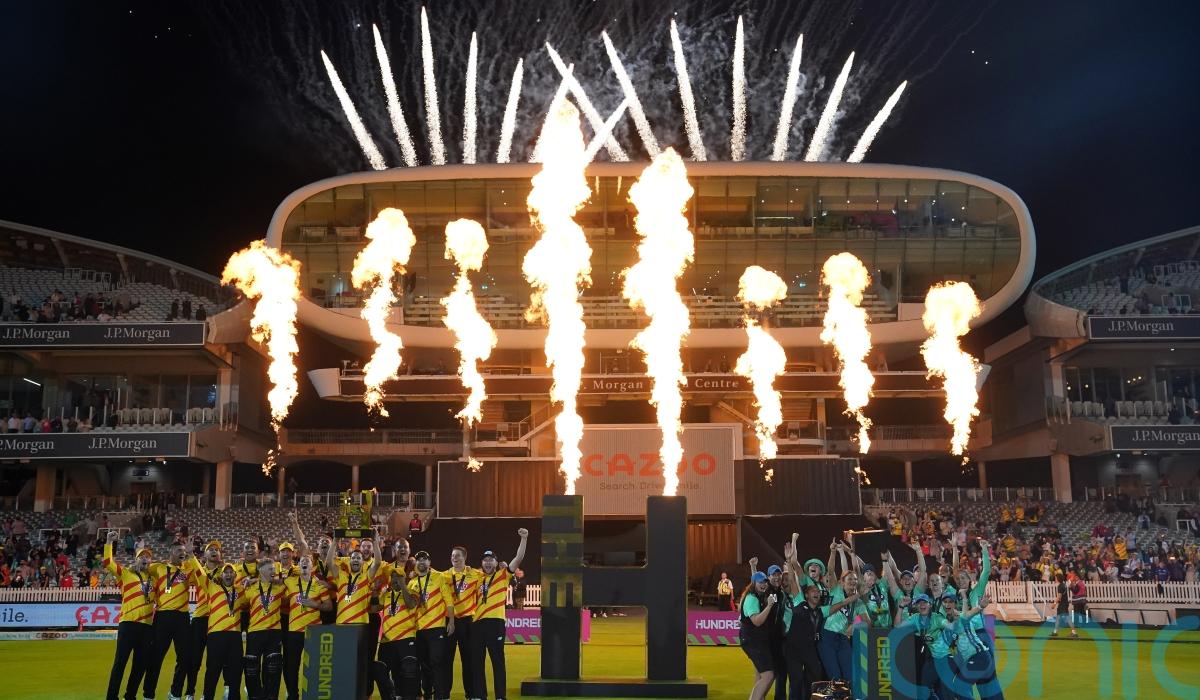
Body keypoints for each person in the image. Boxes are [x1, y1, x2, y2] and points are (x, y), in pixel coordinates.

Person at [470, 528, 528, 700]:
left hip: (495, 623)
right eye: (485, 560)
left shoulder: (503, 575)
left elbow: (518, 558)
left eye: (491, 560)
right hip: (477, 624)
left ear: (496, 563)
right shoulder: (476, 577)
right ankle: (480, 695)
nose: (488, 563)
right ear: (482, 563)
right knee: (477, 663)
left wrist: (524, 539)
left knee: (498, 662)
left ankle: (500, 697)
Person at [103, 530, 155, 700]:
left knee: (140, 665)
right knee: (120, 663)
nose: (145, 559)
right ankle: (112, 697)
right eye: (142, 556)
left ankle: (130, 696)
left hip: (146, 627)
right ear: (136, 559)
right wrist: (109, 543)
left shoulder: (154, 580)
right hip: (128, 624)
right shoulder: (125, 574)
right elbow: (108, 562)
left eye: (147, 557)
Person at [141, 541, 195, 700]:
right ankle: (148, 695)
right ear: (171, 552)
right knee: (155, 657)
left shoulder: (188, 569)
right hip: (162, 616)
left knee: (184, 658)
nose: (182, 553)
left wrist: (192, 555)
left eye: (183, 551)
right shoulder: (158, 567)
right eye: (179, 550)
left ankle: (175, 693)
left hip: (182, 617)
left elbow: (201, 575)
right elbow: (140, 568)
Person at [281, 551, 332, 700]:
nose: (304, 562)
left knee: (315, 666)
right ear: (298, 565)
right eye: (301, 561)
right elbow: (275, 582)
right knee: (291, 666)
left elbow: (329, 606)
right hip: (294, 631)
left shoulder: (319, 584)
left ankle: (313, 695)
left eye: (307, 561)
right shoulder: (290, 581)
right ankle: (293, 695)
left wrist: (316, 605)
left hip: (313, 631)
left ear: (312, 566)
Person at [195, 561, 248, 700]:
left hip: (235, 636)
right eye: (226, 572)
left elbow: (253, 597)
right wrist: (191, 556)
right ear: (221, 575)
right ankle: (208, 697)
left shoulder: (241, 591)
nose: (228, 575)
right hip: (216, 635)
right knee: (213, 670)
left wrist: (252, 581)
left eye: (231, 572)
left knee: (236, 671)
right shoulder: (212, 587)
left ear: (235, 575)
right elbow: (200, 572)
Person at [409, 550, 454, 700]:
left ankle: (439, 696)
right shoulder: (411, 583)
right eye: (419, 559)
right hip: (419, 629)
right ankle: (427, 694)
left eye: (425, 559)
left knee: (437, 662)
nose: (422, 562)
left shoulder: (439, 577)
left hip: (437, 628)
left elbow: (448, 600)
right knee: (424, 664)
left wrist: (451, 621)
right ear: (416, 563)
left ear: (429, 563)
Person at [240, 557, 287, 700]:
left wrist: (280, 579)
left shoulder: (280, 587)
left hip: (274, 632)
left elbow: (292, 580)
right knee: (251, 668)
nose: (274, 571)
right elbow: (241, 603)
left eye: (274, 568)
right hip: (255, 632)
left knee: (273, 668)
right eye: (270, 569)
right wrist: (250, 581)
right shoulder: (250, 588)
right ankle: (255, 696)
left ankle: (271, 697)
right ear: (261, 570)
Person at [372, 565, 421, 700]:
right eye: (392, 577)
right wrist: (375, 592)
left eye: (398, 577)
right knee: (379, 670)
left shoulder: (413, 591)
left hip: (406, 638)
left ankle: (410, 697)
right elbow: (374, 608)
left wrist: (403, 586)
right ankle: (390, 696)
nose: (394, 579)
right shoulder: (386, 594)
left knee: (409, 669)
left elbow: (411, 604)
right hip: (387, 640)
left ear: (404, 578)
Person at [185, 540, 224, 700]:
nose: (214, 551)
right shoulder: (196, 571)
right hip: (200, 618)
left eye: (217, 549)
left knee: (213, 662)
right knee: (194, 660)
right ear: (205, 555)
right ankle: (190, 692)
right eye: (210, 549)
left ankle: (206, 695)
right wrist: (189, 555)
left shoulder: (226, 572)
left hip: (218, 620)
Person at [443, 545, 482, 699]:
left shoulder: (475, 574)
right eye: (453, 555)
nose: (455, 558)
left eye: (458, 555)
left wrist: (503, 567)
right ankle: (445, 694)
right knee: (447, 659)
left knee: (468, 660)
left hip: (468, 622)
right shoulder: (444, 576)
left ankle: (471, 694)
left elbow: (490, 576)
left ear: (465, 557)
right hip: (449, 621)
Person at [817, 571, 865, 683]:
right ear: (842, 582)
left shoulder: (859, 602)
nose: (853, 581)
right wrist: (834, 552)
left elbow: (867, 621)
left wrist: (855, 622)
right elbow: (831, 569)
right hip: (827, 637)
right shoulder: (836, 591)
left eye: (855, 579)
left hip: (843, 639)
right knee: (835, 676)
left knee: (851, 675)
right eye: (850, 579)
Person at [781, 581, 826, 700]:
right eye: (813, 591)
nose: (817, 593)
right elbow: (793, 581)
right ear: (806, 595)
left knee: (815, 675)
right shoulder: (799, 604)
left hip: (809, 650)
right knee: (796, 680)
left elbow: (841, 604)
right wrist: (792, 568)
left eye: (818, 591)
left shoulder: (821, 611)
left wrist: (856, 596)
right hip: (793, 650)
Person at [739, 571, 778, 700]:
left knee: (761, 675)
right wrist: (769, 606)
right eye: (760, 582)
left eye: (765, 582)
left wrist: (753, 567)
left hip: (754, 640)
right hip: (753, 641)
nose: (764, 584)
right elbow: (757, 621)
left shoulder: (755, 595)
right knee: (768, 675)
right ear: (754, 583)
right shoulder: (752, 598)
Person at [1051, 572, 1076, 637]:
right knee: (1058, 618)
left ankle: (1074, 632)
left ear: (1058, 579)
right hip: (1064, 603)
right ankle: (1055, 632)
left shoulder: (1060, 586)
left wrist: (1054, 604)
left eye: (1056, 578)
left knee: (1067, 618)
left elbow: (1059, 597)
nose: (1055, 579)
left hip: (1063, 604)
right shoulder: (1064, 585)